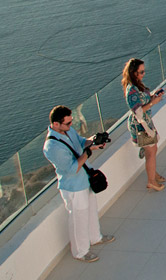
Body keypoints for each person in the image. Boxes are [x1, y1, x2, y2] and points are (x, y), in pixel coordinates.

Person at [43, 105, 114, 262]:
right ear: (56, 124)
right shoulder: (52, 147)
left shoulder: (67, 131)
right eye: (67, 123)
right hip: (73, 186)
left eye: (71, 122)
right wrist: (88, 153)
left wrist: (93, 142)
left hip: (84, 180)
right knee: (78, 218)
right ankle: (80, 252)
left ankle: (95, 237)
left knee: (91, 210)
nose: (71, 126)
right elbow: (72, 168)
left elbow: (81, 143)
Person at [122, 58, 166, 192]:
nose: (143, 74)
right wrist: (153, 102)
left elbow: (143, 102)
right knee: (151, 151)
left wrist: (153, 97)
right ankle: (151, 181)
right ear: (134, 73)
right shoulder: (132, 91)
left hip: (146, 123)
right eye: (141, 72)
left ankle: (153, 174)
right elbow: (137, 111)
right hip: (141, 126)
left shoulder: (137, 86)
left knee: (153, 150)